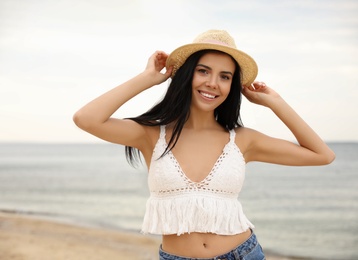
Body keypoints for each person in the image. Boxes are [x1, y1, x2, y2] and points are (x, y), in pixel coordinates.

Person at [73, 29, 335, 260]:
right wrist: (148, 78)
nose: (212, 83)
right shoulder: (152, 134)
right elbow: (86, 119)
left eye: (225, 76)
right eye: (203, 71)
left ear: (232, 85)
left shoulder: (243, 140)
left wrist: (275, 102)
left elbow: (322, 154)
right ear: (187, 75)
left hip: (242, 254)